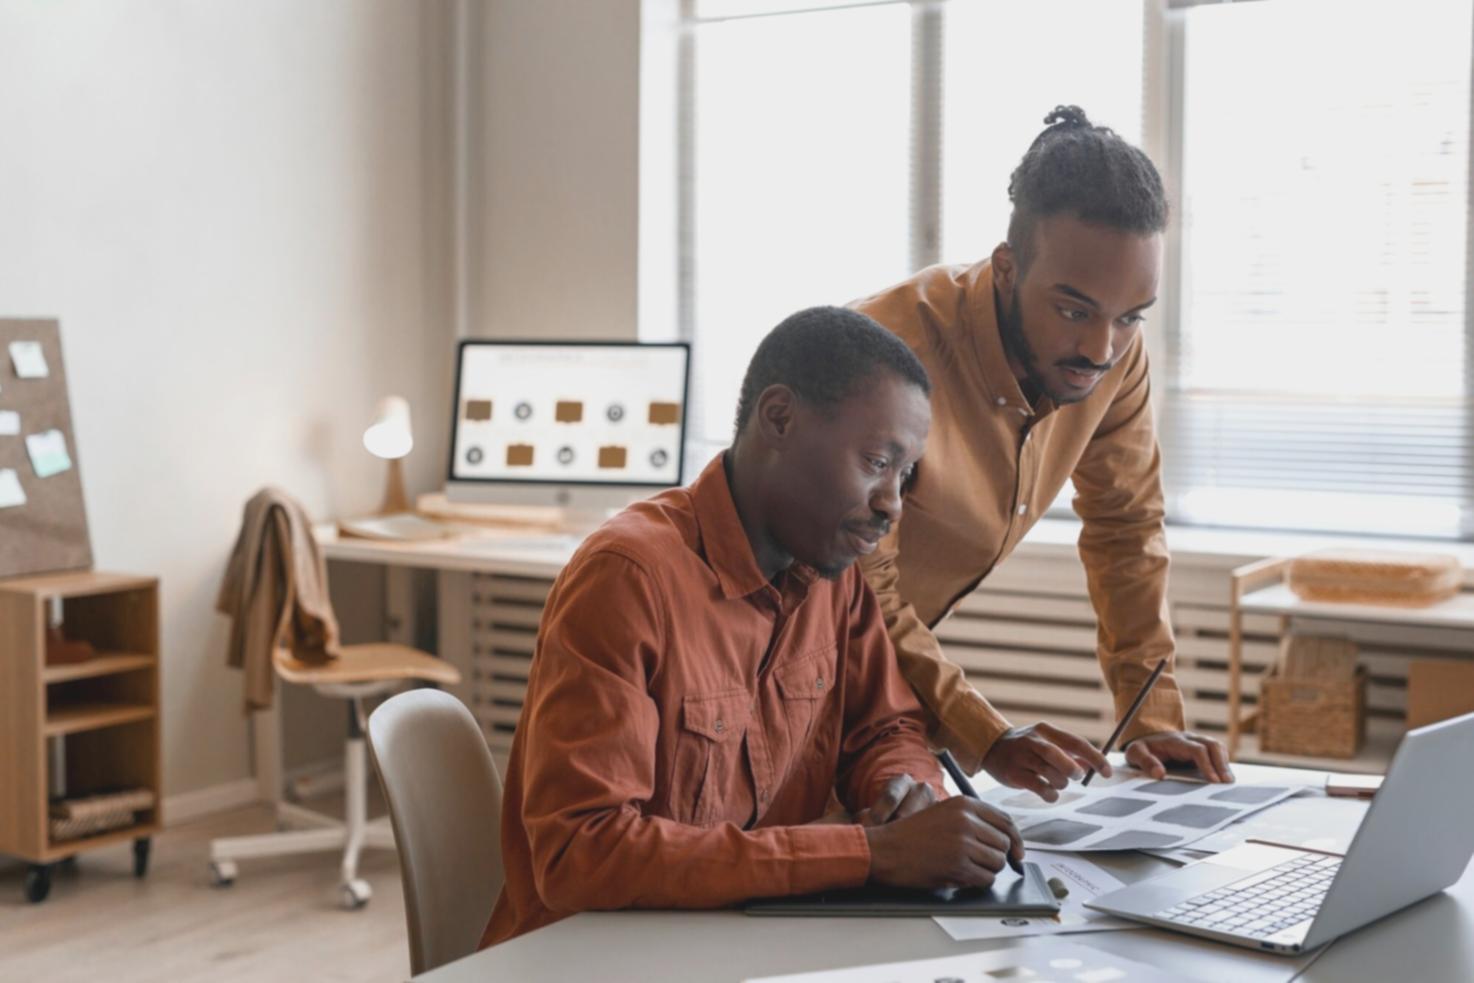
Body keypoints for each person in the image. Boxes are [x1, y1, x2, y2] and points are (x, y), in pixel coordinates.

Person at [482, 306, 1026, 948]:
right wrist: (869, 853)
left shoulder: (832, 570)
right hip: (598, 958)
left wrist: (904, 797)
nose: (893, 504)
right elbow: (582, 854)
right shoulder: (629, 578)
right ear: (779, 419)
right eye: (877, 461)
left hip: (744, 945)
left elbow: (887, 728)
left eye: (905, 475)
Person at [853, 105, 1232, 803]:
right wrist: (986, 733)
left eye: (1129, 316)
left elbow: (1127, 529)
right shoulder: (886, 352)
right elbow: (856, 587)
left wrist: (1152, 718)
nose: (1100, 348)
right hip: (761, 663)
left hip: (872, 678)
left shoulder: (1116, 355)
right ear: (1005, 268)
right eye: (1073, 308)